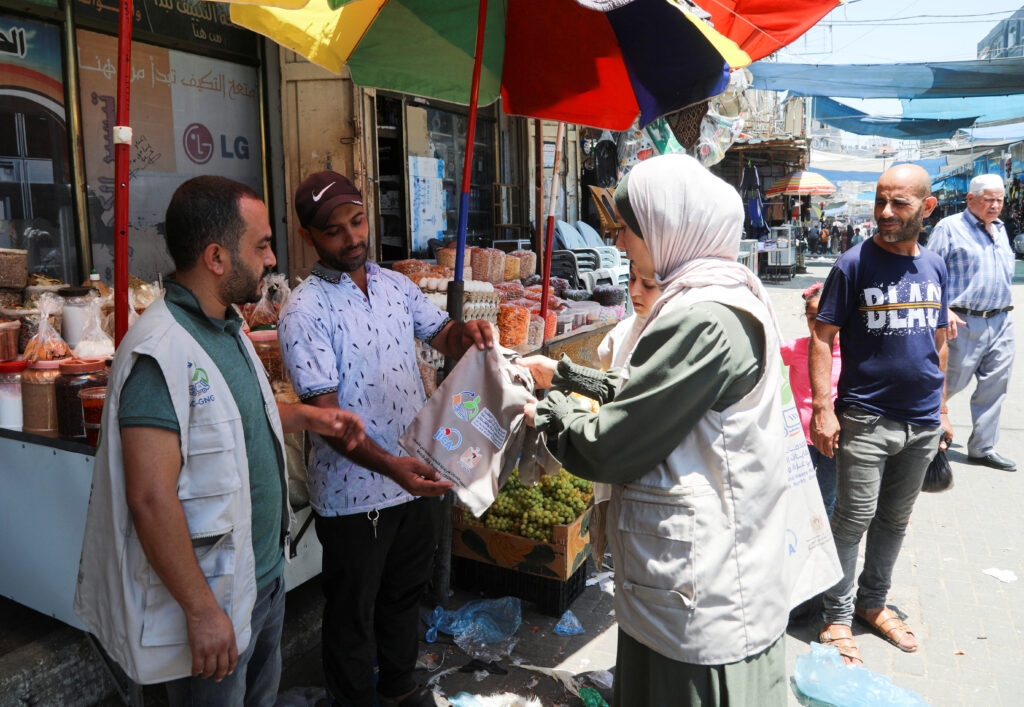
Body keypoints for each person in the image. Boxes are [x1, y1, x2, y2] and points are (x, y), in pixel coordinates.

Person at [74, 176, 367, 705]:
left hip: (261, 581)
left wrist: (309, 418)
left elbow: (231, 419)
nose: (272, 258)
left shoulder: (225, 326)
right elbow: (149, 496)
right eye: (260, 246)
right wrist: (202, 611)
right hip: (213, 605)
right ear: (216, 256)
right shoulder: (159, 353)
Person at [519, 154, 793, 706]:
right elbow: (656, 395)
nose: (619, 245)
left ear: (669, 226)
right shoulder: (721, 294)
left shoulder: (705, 317)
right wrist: (569, 376)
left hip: (702, 597)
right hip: (697, 583)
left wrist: (549, 411)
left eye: (626, 230)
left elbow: (609, 446)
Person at [277, 170, 496, 707]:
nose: (352, 238)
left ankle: (399, 687)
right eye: (334, 231)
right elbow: (328, 421)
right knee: (353, 610)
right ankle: (355, 700)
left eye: (357, 221)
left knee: (403, 595)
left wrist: (466, 335)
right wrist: (391, 466)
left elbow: (440, 332)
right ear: (309, 237)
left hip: (414, 474)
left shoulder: (395, 285)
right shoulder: (304, 311)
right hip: (355, 492)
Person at [811, 164, 951, 666]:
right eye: (879, 201)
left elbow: (939, 339)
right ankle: (836, 616)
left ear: (926, 209)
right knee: (852, 520)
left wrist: (943, 407)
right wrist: (824, 410)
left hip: (922, 422)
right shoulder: (853, 264)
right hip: (866, 419)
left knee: (895, 520)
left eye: (899, 204)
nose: (885, 213)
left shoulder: (934, 266)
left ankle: (873, 603)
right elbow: (822, 338)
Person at [926, 174, 1016, 471]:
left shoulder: (1001, 229)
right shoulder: (949, 228)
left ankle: (982, 448)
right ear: (970, 199)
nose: (995, 206)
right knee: (948, 384)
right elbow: (929, 273)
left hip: (1001, 320)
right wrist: (943, 309)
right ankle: (920, 438)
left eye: (999, 200)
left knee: (995, 387)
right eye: (988, 199)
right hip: (961, 323)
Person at [588, 262, 662, 567]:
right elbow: (604, 386)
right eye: (632, 280)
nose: (634, 291)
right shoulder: (622, 332)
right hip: (617, 468)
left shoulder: (671, 337)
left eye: (647, 285)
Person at [780, 282, 841, 516]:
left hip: (832, 439)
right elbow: (764, 362)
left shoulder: (850, 352)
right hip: (797, 439)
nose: (819, 324)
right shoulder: (795, 348)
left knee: (827, 497)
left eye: (828, 317)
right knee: (793, 494)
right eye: (812, 317)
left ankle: (823, 544)